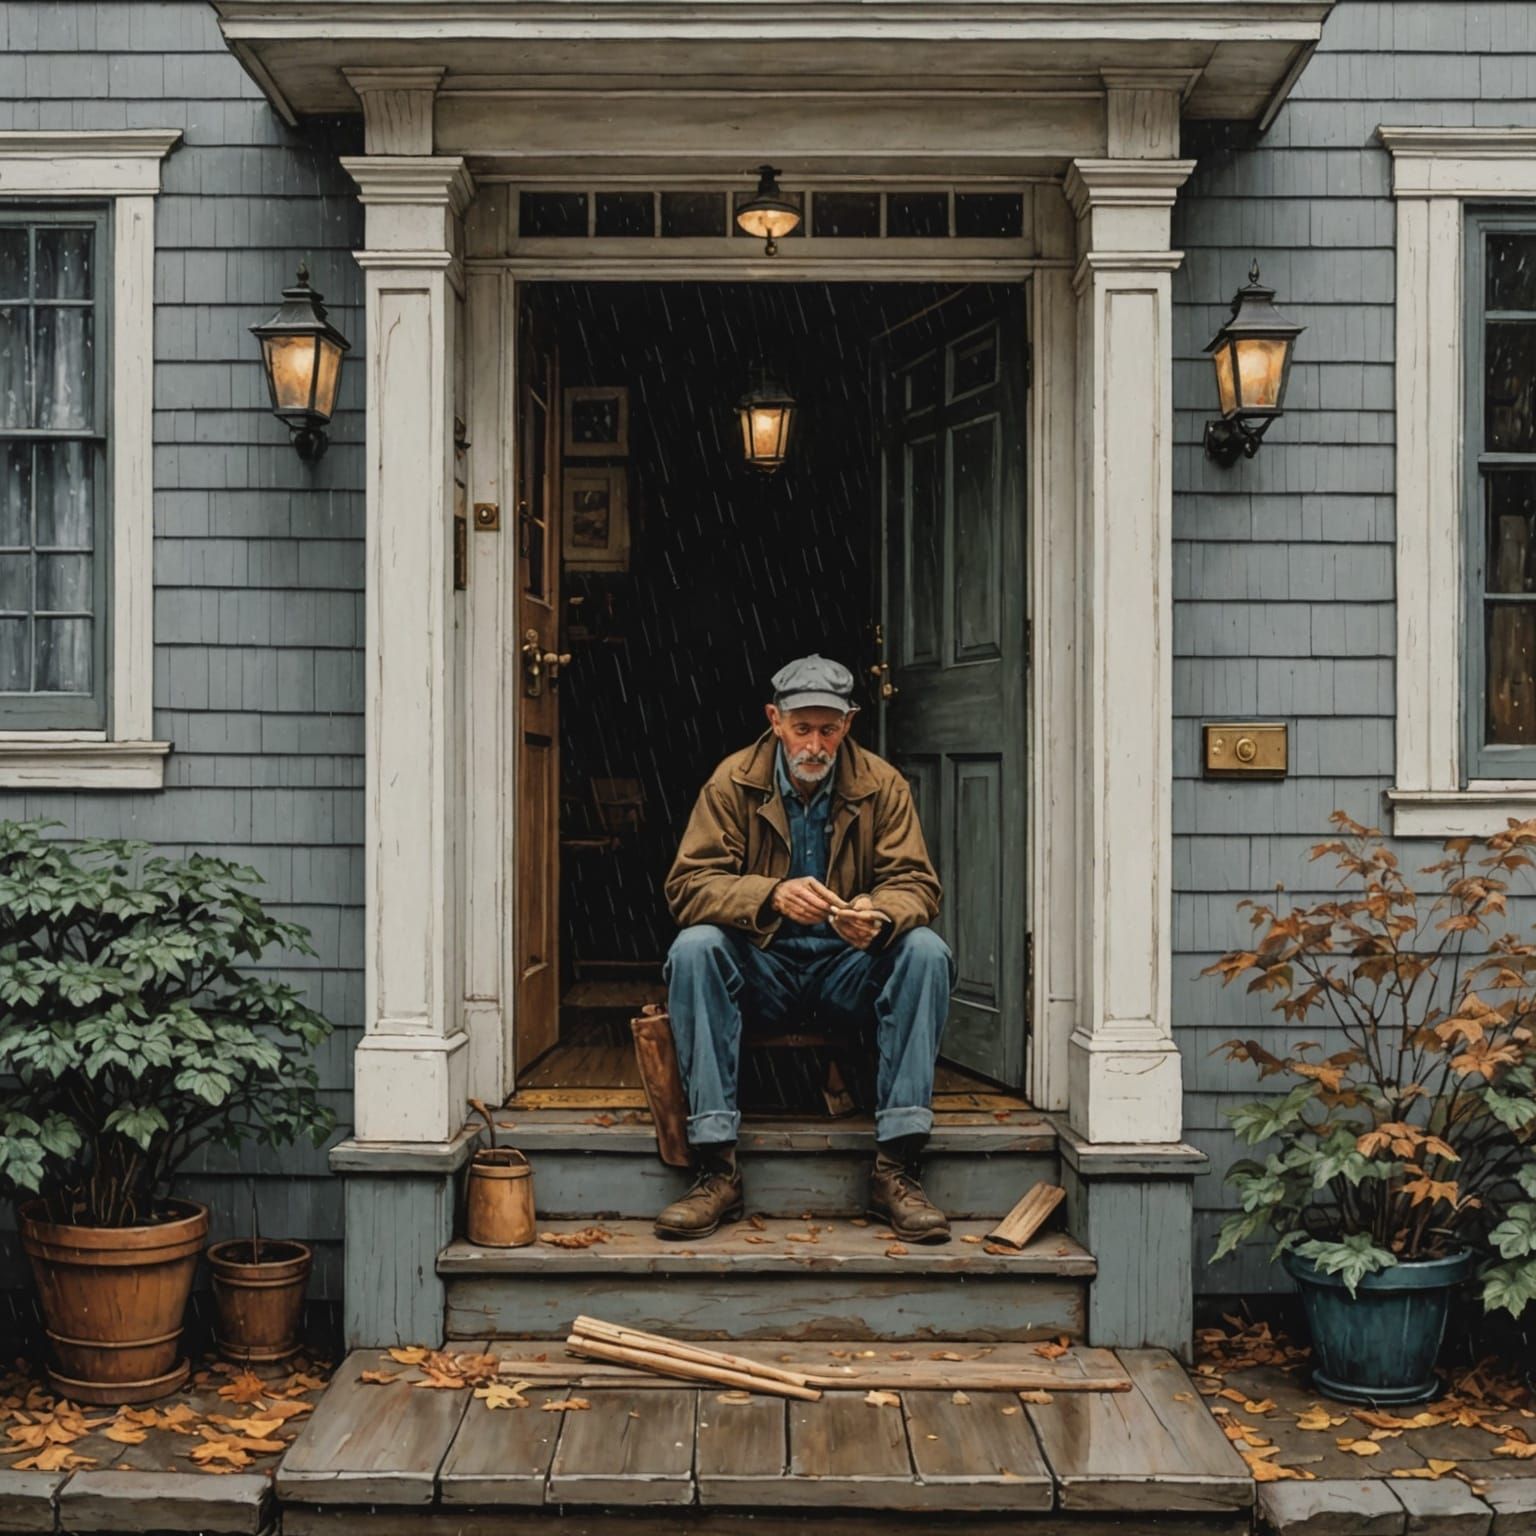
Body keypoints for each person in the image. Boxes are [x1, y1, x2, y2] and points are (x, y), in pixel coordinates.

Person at [657, 654, 955, 1244]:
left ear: (848, 724)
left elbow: (917, 886)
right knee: (695, 949)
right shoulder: (732, 781)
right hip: (762, 970)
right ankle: (716, 1169)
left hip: (847, 972)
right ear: (774, 719)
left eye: (828, 728)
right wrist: (770, 896)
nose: (815, 744)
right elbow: (686, 887)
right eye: (802, 728)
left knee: (925, 951)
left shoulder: (881, 784)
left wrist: (878, 913)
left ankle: (896, 1169)